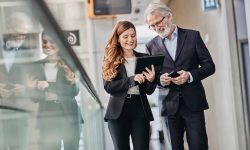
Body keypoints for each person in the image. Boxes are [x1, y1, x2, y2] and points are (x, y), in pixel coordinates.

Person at [144, 2, 215, 150]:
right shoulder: (151, 46)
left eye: (158, 22)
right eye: (152, 25)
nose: (157, 28)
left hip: (193, 103)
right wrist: (160, 80)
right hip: (169, 106)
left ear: (168, 16)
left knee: (199, 146)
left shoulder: (192, 36)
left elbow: (209, 66)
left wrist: (189, 75)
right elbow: (153, 77)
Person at [102, 21, 157, 150]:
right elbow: (108, 87)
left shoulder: (144, 58)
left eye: (133, 35)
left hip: (140, 109)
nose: (130, 40)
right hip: (117, 113)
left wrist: (151, 80)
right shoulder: (110, 59)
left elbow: (149, 91)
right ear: (118, 39)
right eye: (125, 36)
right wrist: (131, 80)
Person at [27, 33, 82, 150]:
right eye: (44, 42)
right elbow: (34, 99)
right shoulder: (36, 65)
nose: (47, 45)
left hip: (69, 115)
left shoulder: (70, 63)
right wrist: (31, 88)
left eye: (51, 41)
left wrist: (49, 85)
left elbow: (74, 90)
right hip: (47, 114)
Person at [0, 11, 34, 150]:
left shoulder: (29, 52)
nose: (21, 37)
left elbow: (37, 81)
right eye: (18, 32)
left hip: (20, 111)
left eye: (24, 34)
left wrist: (25, 88)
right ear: (8, 27)